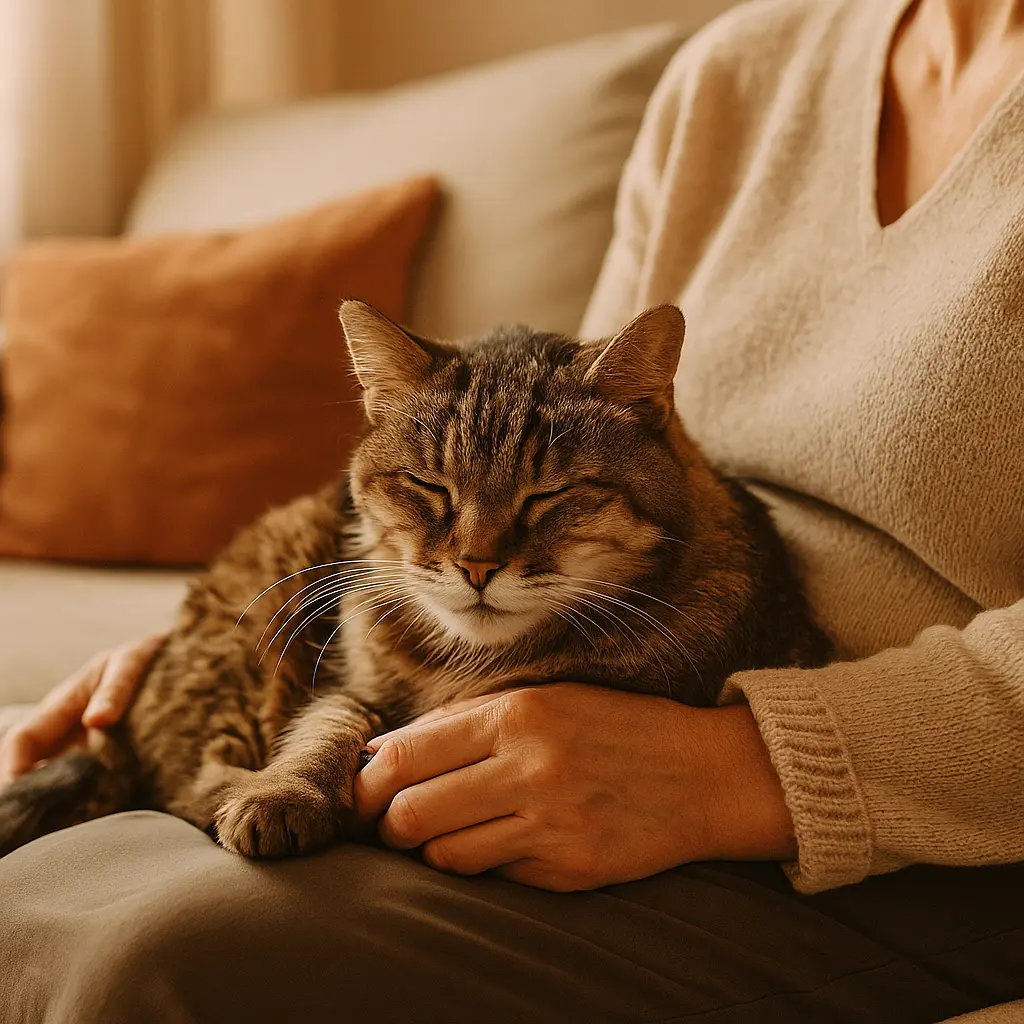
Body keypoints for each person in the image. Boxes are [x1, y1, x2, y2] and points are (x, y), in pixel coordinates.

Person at [2, 0, 1023, 1019]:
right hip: (595, 682)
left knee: (160, 961)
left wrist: (735, 771)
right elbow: (585, 407)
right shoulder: (738, 70)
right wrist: (223, 641)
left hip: (924, 838)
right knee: (37, 899)